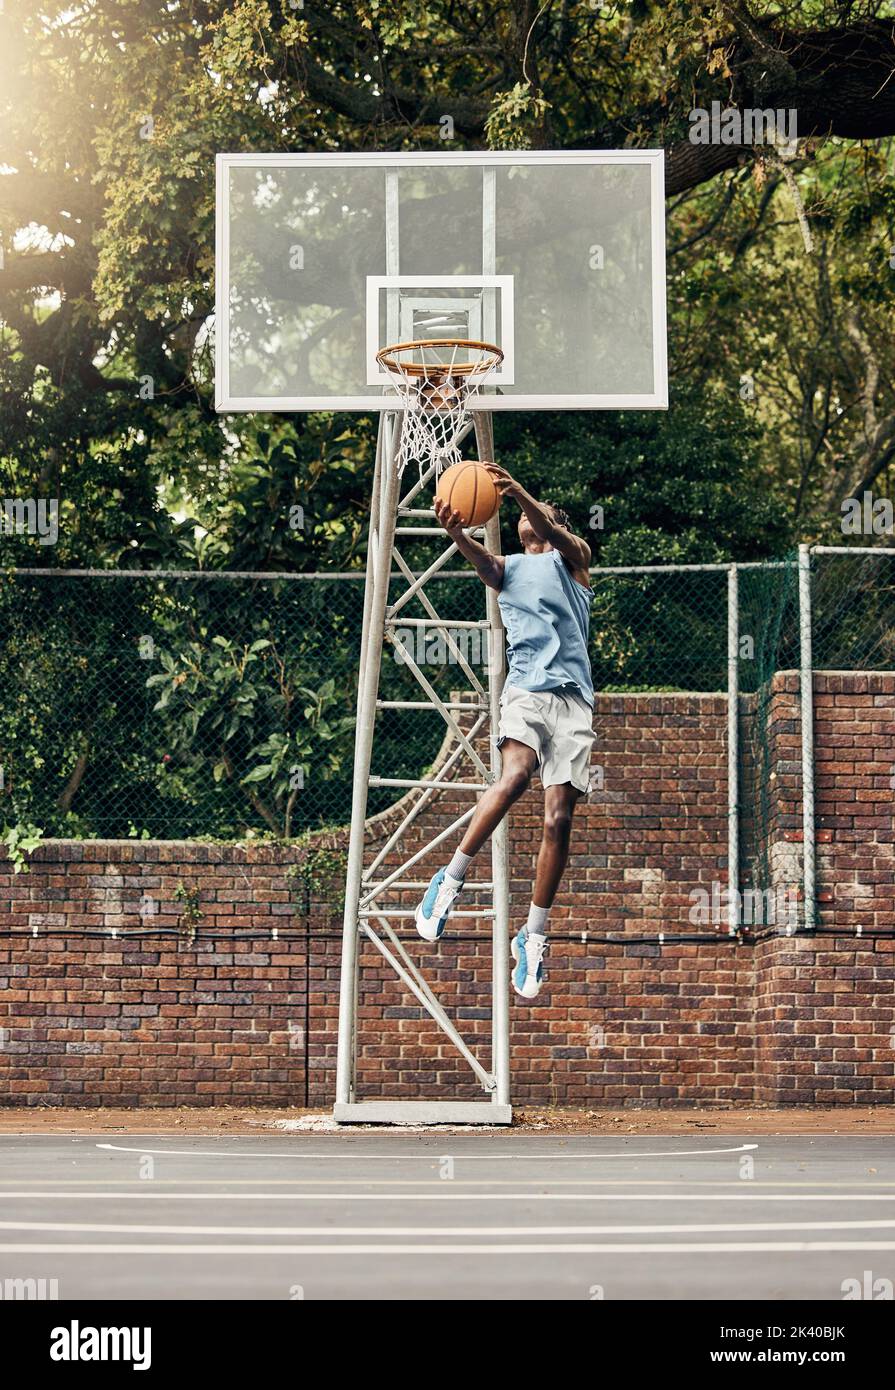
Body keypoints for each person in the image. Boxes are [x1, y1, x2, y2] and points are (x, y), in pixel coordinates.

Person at [414, 462, 595, 1000]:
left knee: (558, 819)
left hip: (575, 704)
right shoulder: (508, 567)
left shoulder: (574, 559)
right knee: (515, 775)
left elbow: (559, 534)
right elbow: (483, 563)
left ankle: (532, 936)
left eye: (530, 514)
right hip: (526, 694)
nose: (520, 518)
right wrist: (454, 532)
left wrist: (518, 488)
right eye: (517, 512)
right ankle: (448, 882)